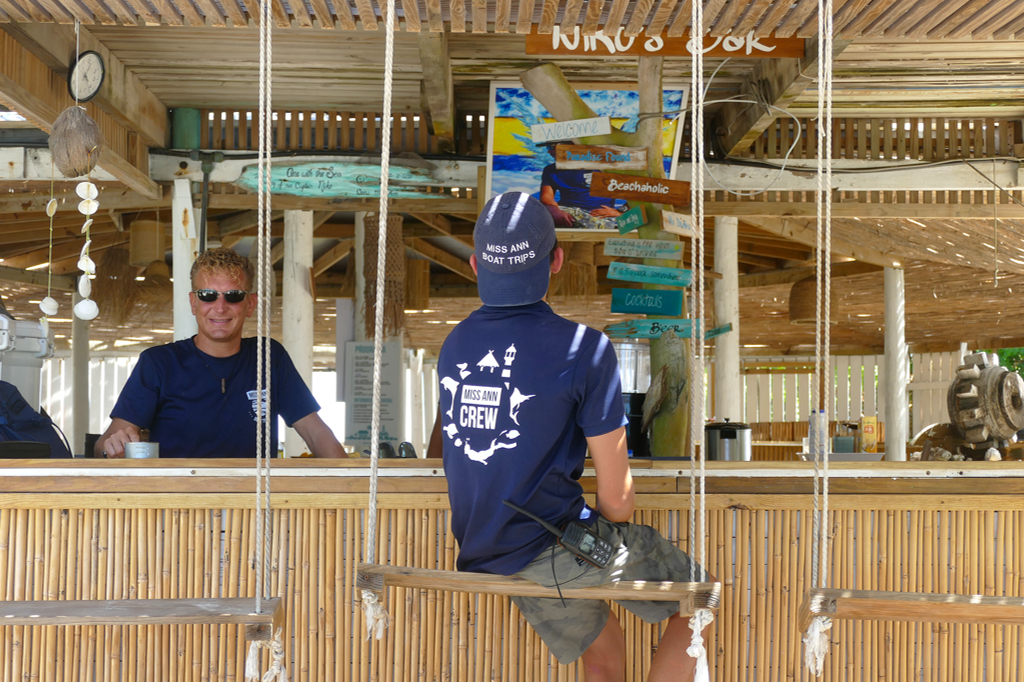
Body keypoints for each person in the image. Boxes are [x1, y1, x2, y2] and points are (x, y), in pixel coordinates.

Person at [435, 192, 706, 681]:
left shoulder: (455, 345)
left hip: (486, 548)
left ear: (476, 265)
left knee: (603, 650)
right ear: (557, 260)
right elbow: (618, 501)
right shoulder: (585, 349)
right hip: (553, 543)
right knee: (699, 601)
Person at [97, 248, 347, 459]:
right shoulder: (158, 363)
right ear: (194, 303)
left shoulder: (269, 357)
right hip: (177, 508)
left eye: (233, 296)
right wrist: (113, 445)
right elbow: (104, 444)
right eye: (208, 295)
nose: (220, 307)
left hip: (255, 506)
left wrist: (354, 488)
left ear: (250, 304)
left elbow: (316, 434)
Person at [539, 162, 623, 230]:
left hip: (598, 216)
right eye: (548, 147)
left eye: (554, 147)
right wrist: (555, 211)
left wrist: (619, 212)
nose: (549, 150)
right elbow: (546, 197)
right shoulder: (551, 170)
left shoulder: (602, 167)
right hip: (567, 213)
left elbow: (635, 191)